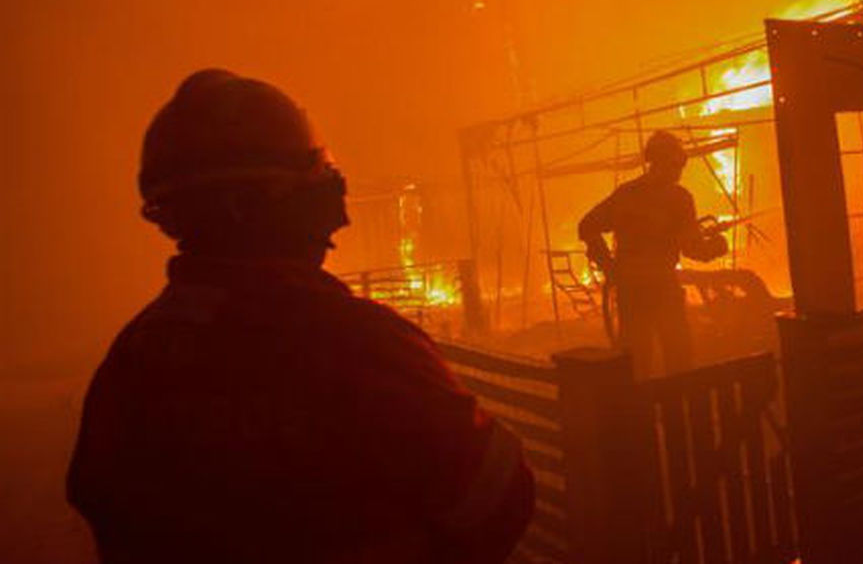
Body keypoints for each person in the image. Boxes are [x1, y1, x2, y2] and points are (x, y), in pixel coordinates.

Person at [67, 70, 533, 563]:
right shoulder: (353, 343)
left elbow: (103, 506)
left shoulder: (137, 358)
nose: (339, 214)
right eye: (320, 184)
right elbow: (498, 494)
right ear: (267, 203)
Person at [578, 130, 728, 377]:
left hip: (630, 291)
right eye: (677, 164)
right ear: (668, 162)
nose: (679, 171)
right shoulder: (678, 198)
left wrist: (610, 268)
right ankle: (677, 409)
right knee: (678, 356)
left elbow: (587, 226)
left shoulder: (626, 194)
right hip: (662, 288)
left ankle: (637, 412)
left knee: (635, 361)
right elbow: (693, 249)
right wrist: (718, 244)